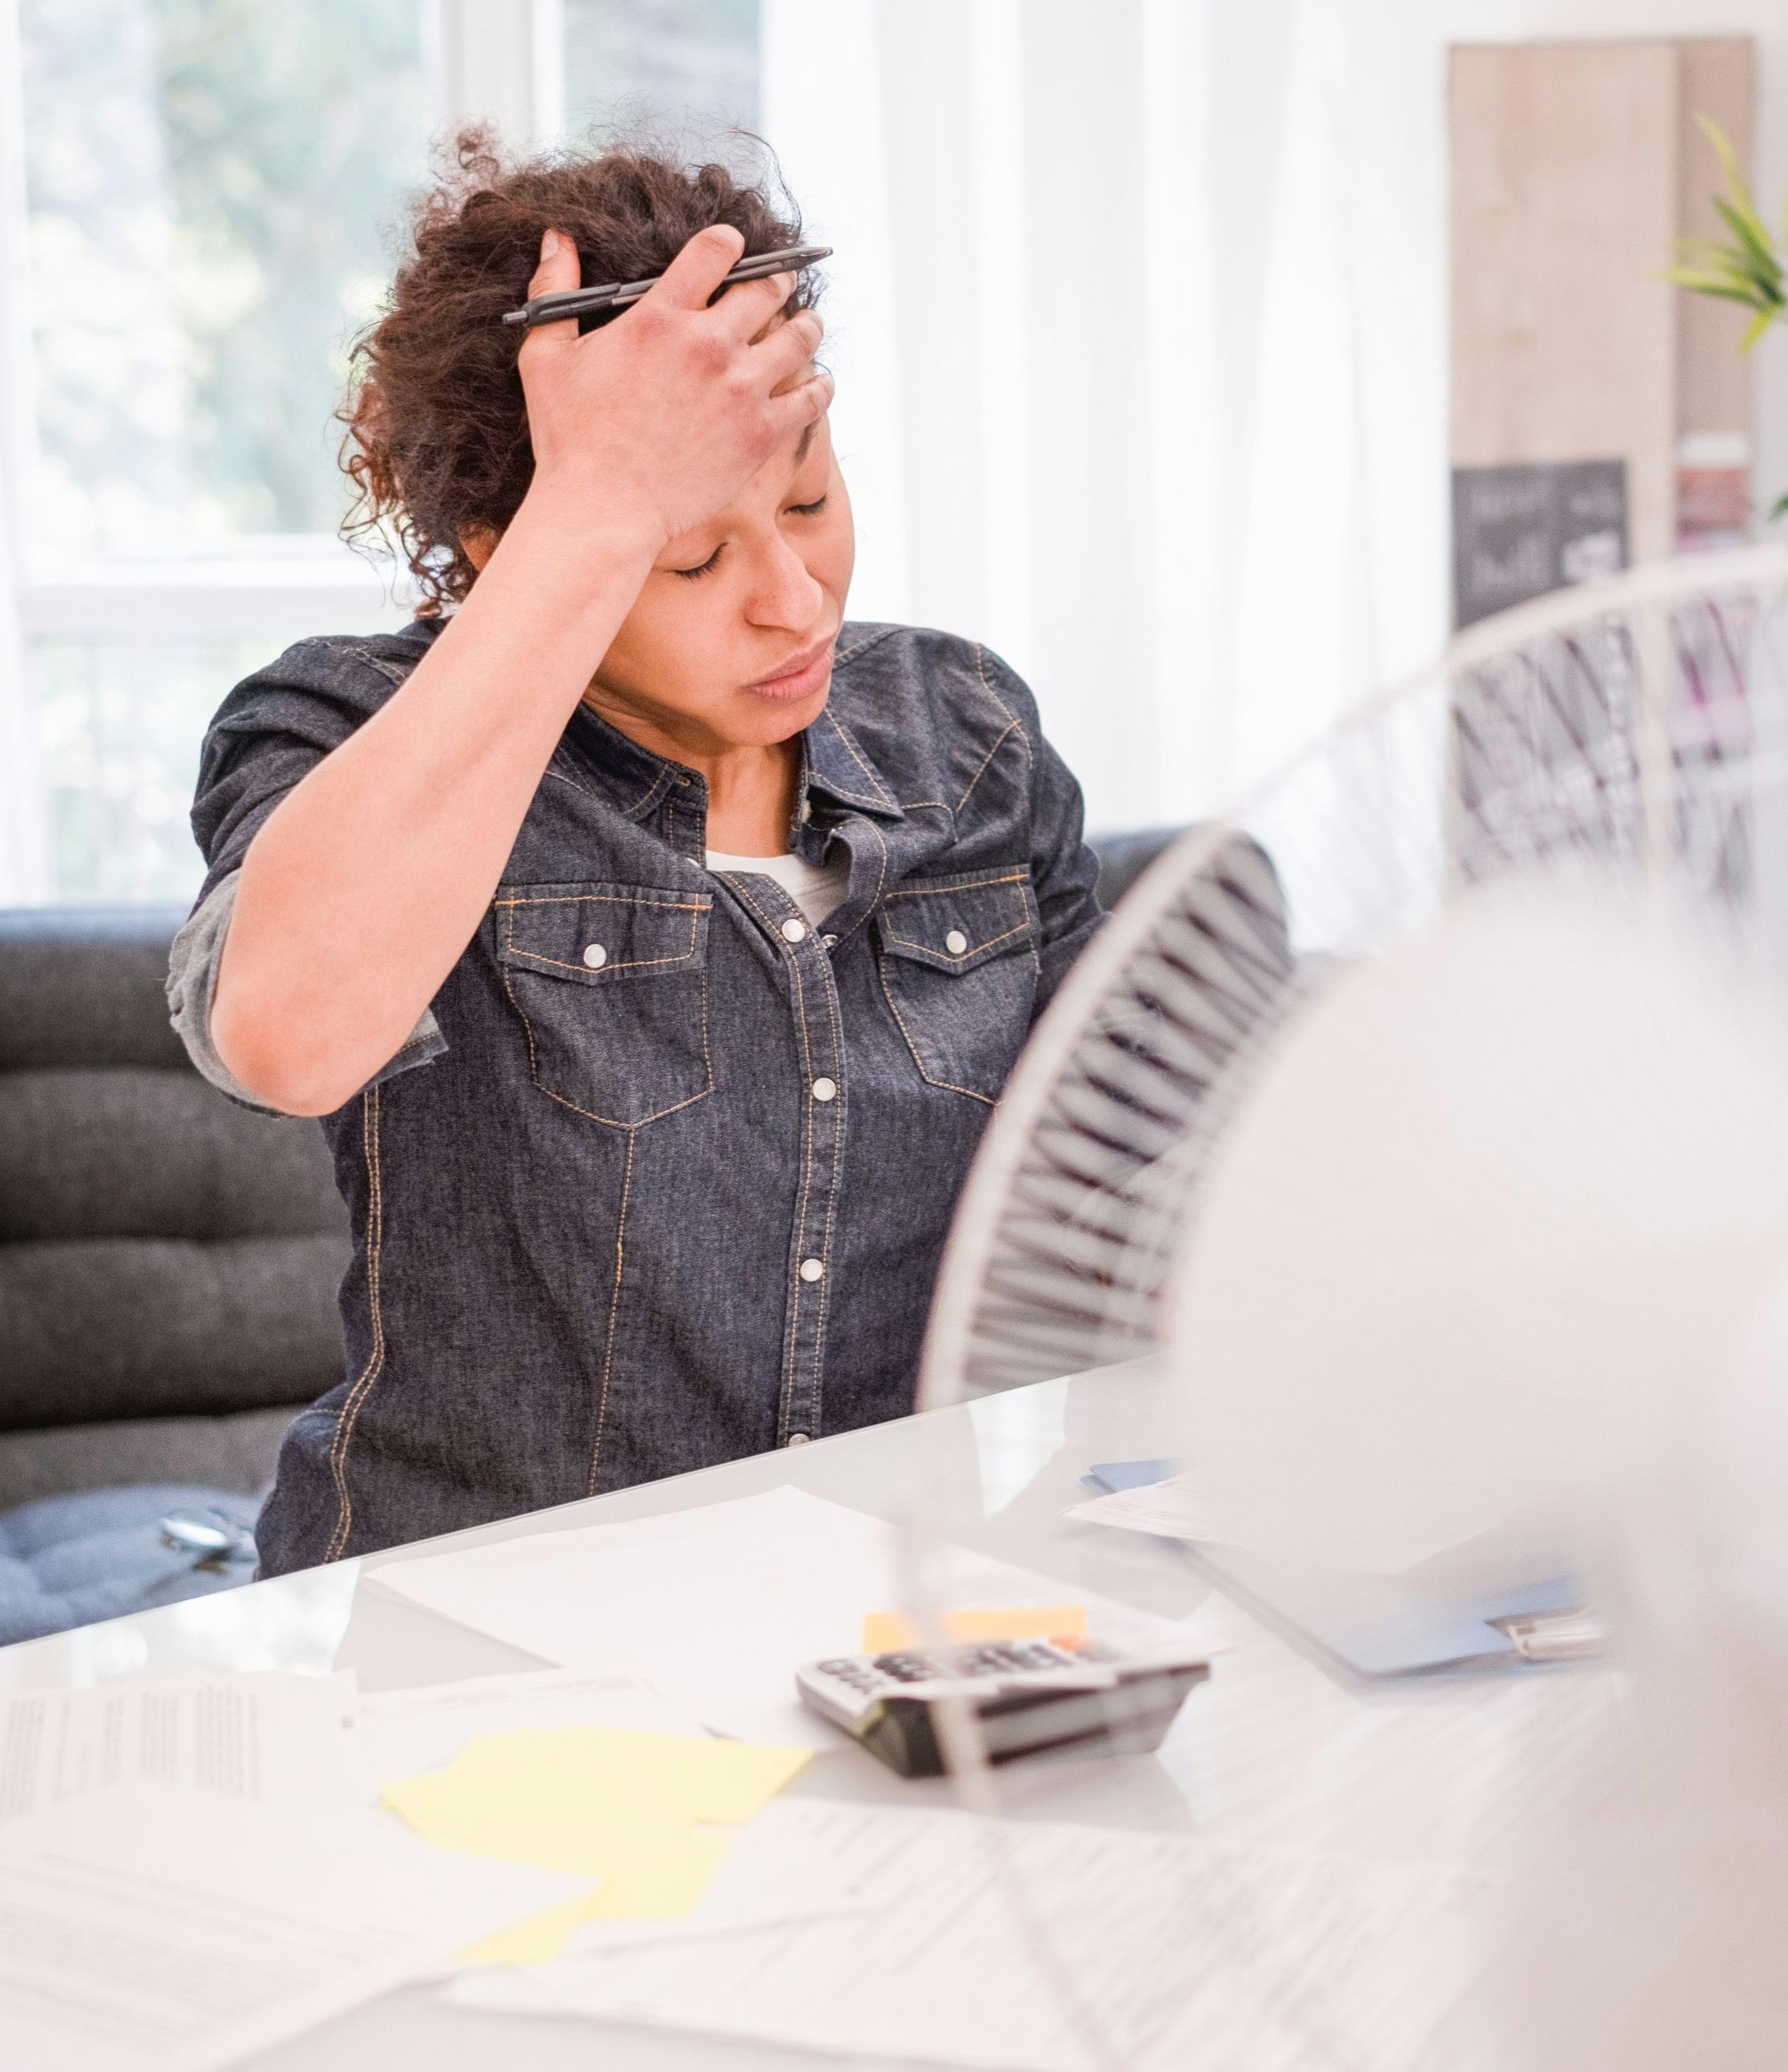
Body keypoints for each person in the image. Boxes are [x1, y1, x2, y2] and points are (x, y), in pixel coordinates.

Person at [166, 134, 1106, 1575]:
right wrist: (600, 501)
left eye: (805, 500)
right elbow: (285, 1038)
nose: (795, 604)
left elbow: (1111, 1184)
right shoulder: (352, 726)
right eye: (689, 558)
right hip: (480, 1646)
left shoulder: (965, 733)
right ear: (502, 546)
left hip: (890, 1637)